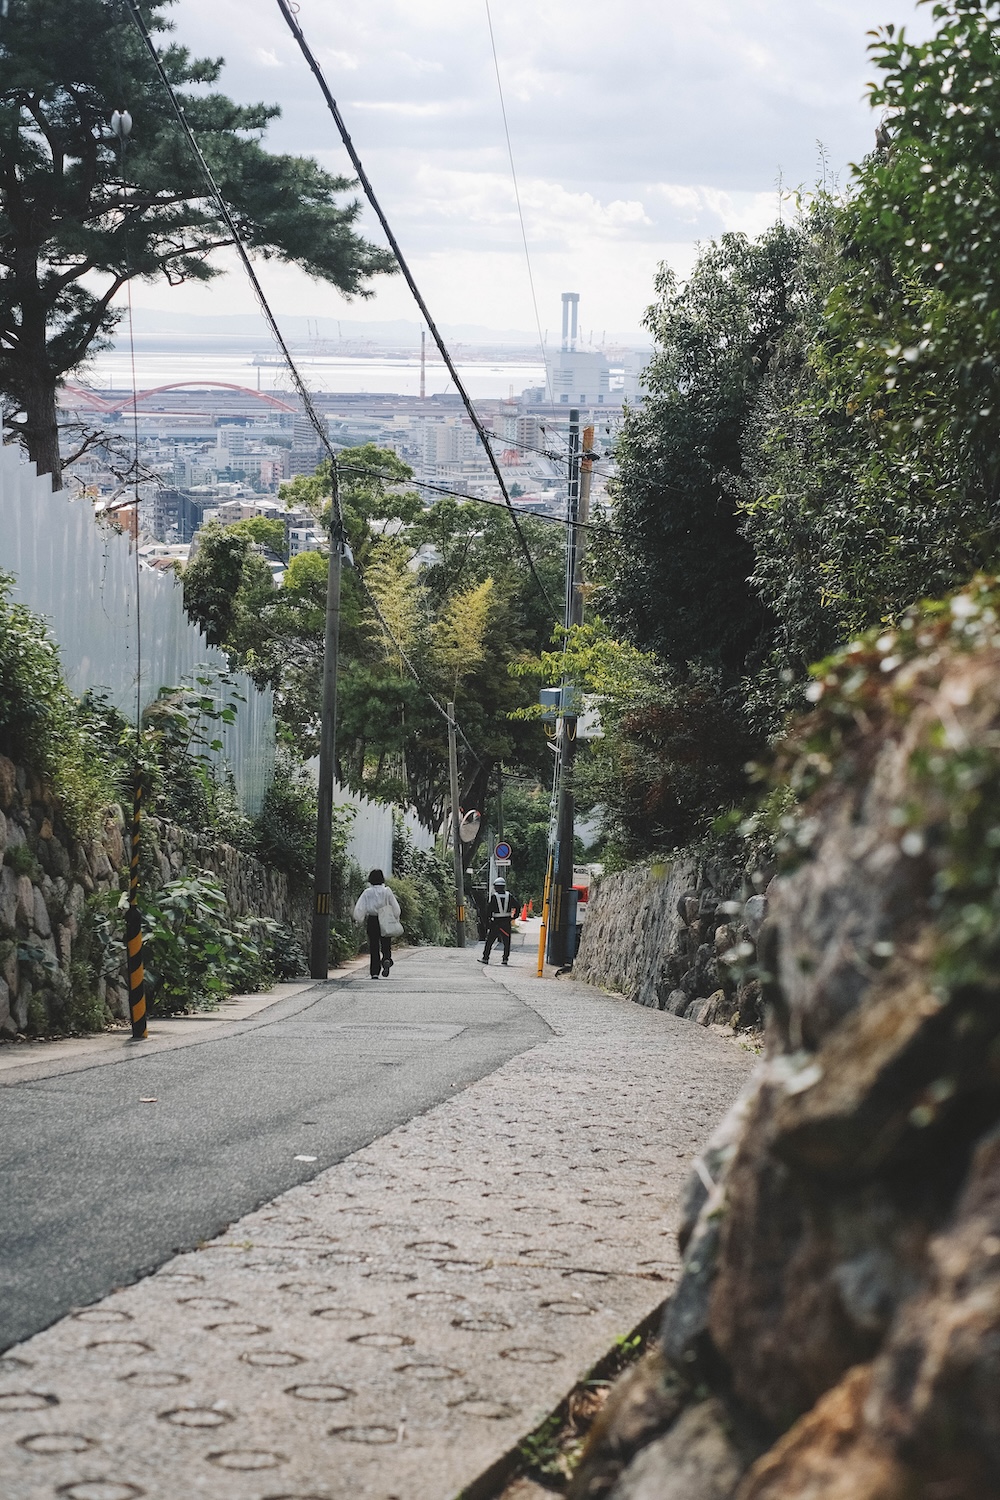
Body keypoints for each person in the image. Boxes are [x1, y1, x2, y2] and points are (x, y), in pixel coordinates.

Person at [353, 868, 401, 979]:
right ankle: (386, 959)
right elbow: (395, 906)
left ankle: (374, 972)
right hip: (385, 918)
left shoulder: (367, 892)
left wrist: (358, 919)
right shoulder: (387, 891)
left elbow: (360, 907)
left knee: (374, 946)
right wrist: (396, 917)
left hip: (373, 919)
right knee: (386, 943)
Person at [479, 876, 518, 966]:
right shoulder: (509, 896)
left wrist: (488, 922)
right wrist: (514, 916)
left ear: (497, 886)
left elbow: (488, 911)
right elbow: (517, 906)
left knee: (489, 941)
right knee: (506, 941)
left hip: (496, 923)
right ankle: (505, 959)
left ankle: (485, 958)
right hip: (506, 923)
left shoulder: (494, 897)